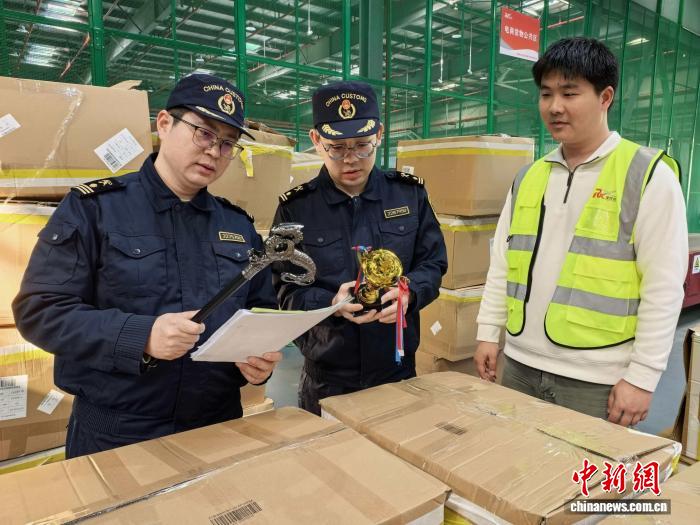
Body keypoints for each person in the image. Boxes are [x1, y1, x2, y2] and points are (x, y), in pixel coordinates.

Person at [13, 74, 282, 458]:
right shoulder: (95, 209)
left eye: (227, 143)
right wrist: (141, 336)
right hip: (117, 433)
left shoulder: (237, 226)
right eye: (204, 133)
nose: (214, 152)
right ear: (164, 124)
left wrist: (259, 360)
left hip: (217, 424)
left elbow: (260, 308)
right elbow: (40, 311)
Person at [474, 37, 688, 427]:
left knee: (587, 469)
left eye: (569, 93)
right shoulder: (529, 177)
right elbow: (502, 265)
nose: (554, 106)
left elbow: (664, 286)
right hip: (520, 365)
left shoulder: (647, 176)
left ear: (605, 97)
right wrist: (488, 332)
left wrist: (642, 377)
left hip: (597, 380)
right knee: (517, 462)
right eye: (546, 94)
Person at [272, 81, 447, 415]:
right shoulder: (297, 209)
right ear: (316, 140)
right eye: (337, 148)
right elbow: (284, 290)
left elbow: (433, 263)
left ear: (379, 134)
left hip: (396, 370)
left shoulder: (409, 196)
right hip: (327, 377)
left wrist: (410, 294)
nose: (351, 159)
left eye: (362, 146)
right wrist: (330, 304)